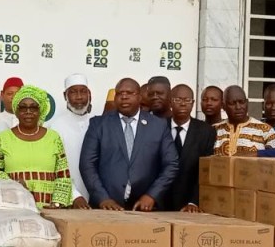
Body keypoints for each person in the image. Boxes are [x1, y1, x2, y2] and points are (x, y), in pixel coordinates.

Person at [80, 78, 179, 211]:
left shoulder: (158, 126)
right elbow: (87, 164)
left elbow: (171, 164)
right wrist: (103, 198)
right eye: (120, 93)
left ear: (139, 97)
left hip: (144, 209)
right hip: (105, 208)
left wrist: (151, 195)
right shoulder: (98, 125)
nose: (124, 97)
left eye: (129, 93)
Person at [0, 85, 72, 209]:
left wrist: (58, 204)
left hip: (51, 211)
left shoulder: (54, 138)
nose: (28, 112)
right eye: (23, 108)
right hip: (13, 209)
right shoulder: (4, 138)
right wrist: (14, 183)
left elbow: (63, 176)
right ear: (16, 111)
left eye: (33, 108)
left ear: (41, 110)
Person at [162, 84, 215, 212]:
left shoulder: (206, 131)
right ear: (170, 102)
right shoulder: (158, 127)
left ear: (193, 103)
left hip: (189, 205)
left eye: (187, 100)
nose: (183, 104)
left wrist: (194, 201)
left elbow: (205, 171)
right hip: (159, 201)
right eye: (178, 100)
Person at [48, 74, 93, 209]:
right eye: (73, 92)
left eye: (83, 91)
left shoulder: (96, 123)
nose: (79, 97)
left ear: (89, 94)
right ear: (65, 96)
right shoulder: (56, 126)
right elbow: (55, 166)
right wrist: (74, 195)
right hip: (68, 199)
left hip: (98, 200)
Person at [214, 85, 275, 156]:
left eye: (242, 102)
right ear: (224, 106)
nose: (238, 107)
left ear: (247, 103)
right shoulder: (214, 130)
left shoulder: (266, 130)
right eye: (232, 103)